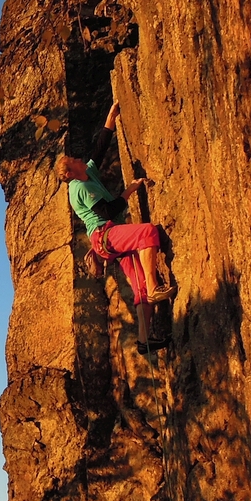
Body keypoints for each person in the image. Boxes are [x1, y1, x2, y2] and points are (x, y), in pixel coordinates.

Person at [56, 101, 174, 352]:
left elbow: (101, 146)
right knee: (147, 232)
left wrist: (111, 115)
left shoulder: (87, 172)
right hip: (104, 236)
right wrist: (130, 190)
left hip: (110, 236)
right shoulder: (80, 188)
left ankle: (144, 341)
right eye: (74, 160)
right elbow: (108, 211)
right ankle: (155, 288)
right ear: (71, 172)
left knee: (138, 284)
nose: (79, 158)